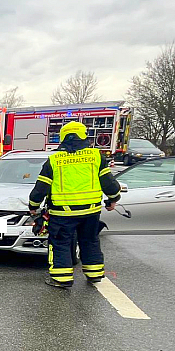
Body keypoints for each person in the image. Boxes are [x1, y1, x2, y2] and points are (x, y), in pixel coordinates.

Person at [28, 121, 121, 288]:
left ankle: (61, 278)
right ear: (84, 135)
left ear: (63, 138)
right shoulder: (96, 156)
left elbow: (41, 187)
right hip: (91, 212)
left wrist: (33, 206)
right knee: (90, 241)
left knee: (60, 243)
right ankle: (94, 274)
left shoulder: (54, 160)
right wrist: (113, 199)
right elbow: (109, 183)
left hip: (62, 214)